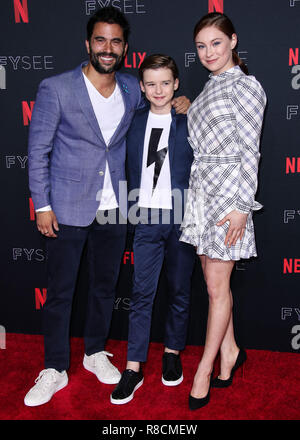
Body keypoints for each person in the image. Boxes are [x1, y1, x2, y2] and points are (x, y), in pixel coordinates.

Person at [25, 7, 190, 407]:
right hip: (66, 206)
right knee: (61, 292)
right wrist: (42, 205)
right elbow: (37, 151)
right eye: (100, 39)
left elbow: (160, 104)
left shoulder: (134, 89)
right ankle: (54, 368)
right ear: (88, 44)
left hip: (116, 207)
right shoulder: (56, 87)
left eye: (116, 41)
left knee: (104, 287)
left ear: (125, 48)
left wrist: (184, 101)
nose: (108, 47)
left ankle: (95, 352)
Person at [179, 12, 267, 410]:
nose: (208, 52)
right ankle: (230, 352)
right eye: (201, 46)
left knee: (216, 289)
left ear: (233, 41)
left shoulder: (245, 86)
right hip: (202, 193)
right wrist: (186, 104)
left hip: (228, 194)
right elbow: (205, 125)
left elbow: (250, 150)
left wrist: (241, 207)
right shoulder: (211, 86)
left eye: (216, 43)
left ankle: (204, 370)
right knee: (215, 285)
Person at [110, 54, 196, 405]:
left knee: (179, 291)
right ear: (142, 87)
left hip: (182, 217)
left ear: (176, 84)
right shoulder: (132, 121)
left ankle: (172, 352)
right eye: (151, 83)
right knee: (142, 294)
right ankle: (133, 367)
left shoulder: (190, 119)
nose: (158, 90)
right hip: (145, 218)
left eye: (165, 82)